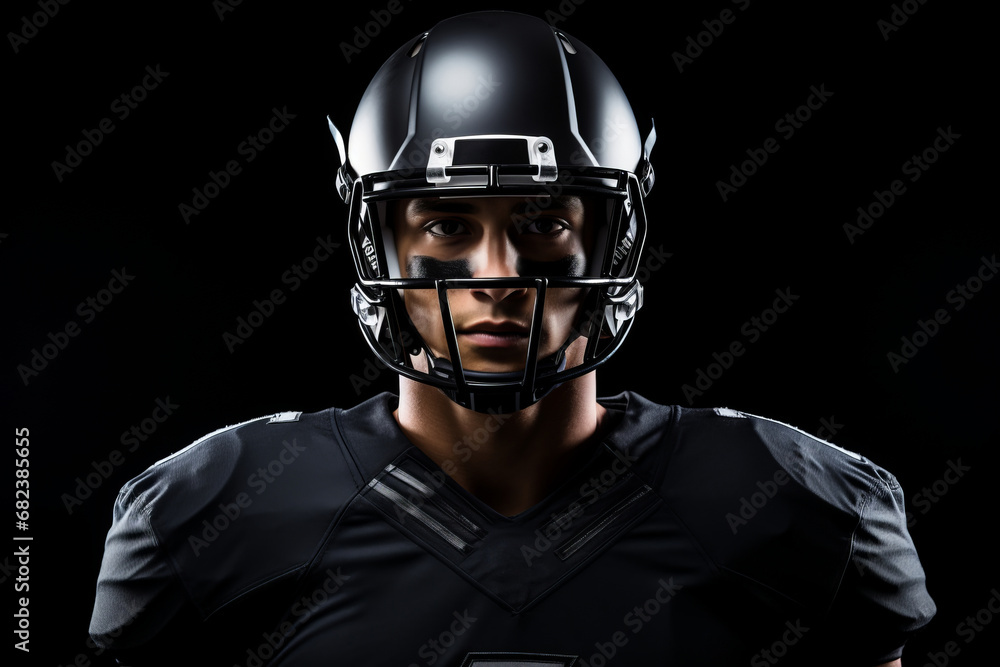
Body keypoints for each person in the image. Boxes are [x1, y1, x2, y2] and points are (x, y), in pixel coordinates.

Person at [90, 11, 935, 666]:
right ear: (376, 238)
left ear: (614, 235)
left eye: (541, 221)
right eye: (449, 223)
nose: (496, 271)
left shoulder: (796, 505)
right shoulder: (212, 514)